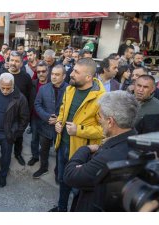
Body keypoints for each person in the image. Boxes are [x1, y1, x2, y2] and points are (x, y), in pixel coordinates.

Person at [64, 90, 139, 212]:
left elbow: (70, 175)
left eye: (100, 116)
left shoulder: (107, 158)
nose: (99, 120)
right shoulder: (137, 142)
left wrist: (85, 149)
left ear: (110, 121)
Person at [50, 58, 105, 212]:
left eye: (76, 72)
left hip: (82, 152)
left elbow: (104, 131)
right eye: (73, 70)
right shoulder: (70, 89)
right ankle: (61, 209)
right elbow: (62, 110)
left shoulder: (102, 99)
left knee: (78, 189)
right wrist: (59, 122)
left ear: (88, 77)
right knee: (63, 179)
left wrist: (78, 130)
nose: (71, 73)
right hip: (63, 145)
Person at [0, 51, 32, 166]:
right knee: (3, 139)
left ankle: (18, 154)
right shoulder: (0, 74)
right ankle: (2, 157)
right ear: (8, 61)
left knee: (18, 136)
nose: (14, 63)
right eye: (12, 60)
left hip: (18, 115)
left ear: (21, 63)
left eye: (17, 61)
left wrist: (26, 116)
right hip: (2, 114)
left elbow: (29, 96)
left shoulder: (26, 77)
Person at [33, 64, 68, 178]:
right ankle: (43, 168)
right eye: (52, 74)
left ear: (64, 76)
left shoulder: (70, 90)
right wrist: (47, 117)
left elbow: (71, 109)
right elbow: (37, 104)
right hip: (45, 126)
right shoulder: (43, 89)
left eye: (57, 75)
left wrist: (58, 120)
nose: (53, 77)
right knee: (43, 150)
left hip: (61, 128)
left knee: (60, 153)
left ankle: (58, 172)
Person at [27, 61, 49, 166]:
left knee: (45, 141)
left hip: (47, 118)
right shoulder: (33, 83)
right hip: (35, 117)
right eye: (38, 71)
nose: (41, 73)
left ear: (47, 72)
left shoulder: (52, 84)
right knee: (34, 139)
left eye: (43, 71)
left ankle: (44, 160)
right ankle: (35, 156)